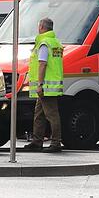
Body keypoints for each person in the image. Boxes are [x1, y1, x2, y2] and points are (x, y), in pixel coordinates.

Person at [23, 17, 63, 153]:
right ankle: (37, 141)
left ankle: (56, 143)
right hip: (51, 85)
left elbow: (42, 64)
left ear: (41, 27)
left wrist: (39, 84)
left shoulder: (44, 43)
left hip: (45, 86)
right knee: (39, 114)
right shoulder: (55, 42)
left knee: (52, 115)